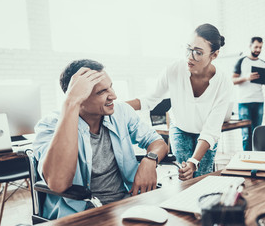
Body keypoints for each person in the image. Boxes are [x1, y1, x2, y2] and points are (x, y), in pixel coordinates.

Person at [32, 59, 168, 219]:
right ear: (79, 99)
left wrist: (149, 160)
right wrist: (70, 103)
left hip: (127, 205)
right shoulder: (49, 126)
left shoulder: (121, 112)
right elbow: (58, 183)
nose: (113, 96)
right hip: (80, 215)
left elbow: (158, 142)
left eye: (111, 86)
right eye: (102, 92)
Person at [127, 24, 233, 180]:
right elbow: (150, 99)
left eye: (198, 52)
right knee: (185, 177)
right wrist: (117, 106)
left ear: (214, 55)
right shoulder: (174, 70)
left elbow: (211, 129)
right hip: (180, 129)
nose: (190, 57)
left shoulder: (223, 82)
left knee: (203, 177)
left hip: (206, 134)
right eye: (188, 49)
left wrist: (194, 161)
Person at [232, 37, 265, 151]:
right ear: (250, 46)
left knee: (257, 133)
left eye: (260, 47)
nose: (258, 49)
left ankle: (256, 160)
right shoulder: (241, 61)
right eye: (256, 47)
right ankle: (247, 161)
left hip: (259, 101)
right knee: (246, 135)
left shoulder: (263, 63)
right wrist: (247, 77)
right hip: (244, 102)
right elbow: (233, 80)